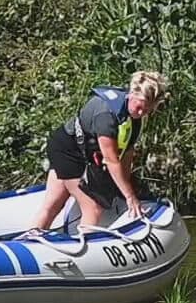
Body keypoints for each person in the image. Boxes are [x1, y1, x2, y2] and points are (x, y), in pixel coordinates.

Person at [33, 71, 167, 230]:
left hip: (81, 150)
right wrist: (130, 197)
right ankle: (80, 242)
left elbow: (126, 155)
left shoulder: (133, 118)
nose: (141, 113)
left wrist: (123, 190)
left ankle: (35, 236)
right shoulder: (106, 115)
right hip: (67, 149)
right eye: (139, 107)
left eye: (146, 110)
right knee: (93, 207)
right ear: (131, 94)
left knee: (54, 202)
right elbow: (111, 160)